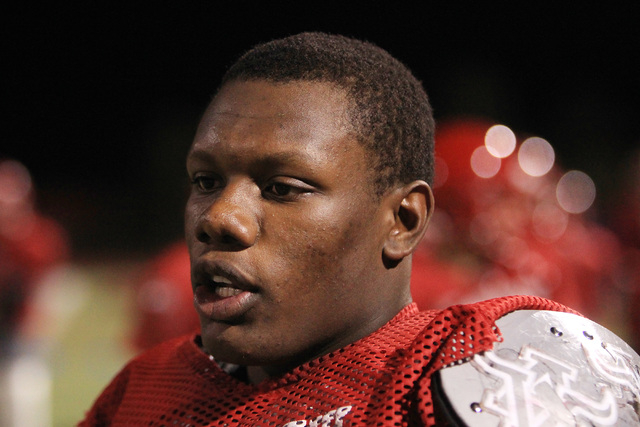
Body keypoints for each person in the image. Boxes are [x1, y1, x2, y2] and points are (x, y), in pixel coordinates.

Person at [78, 32, 639, 426]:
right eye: (204, 181)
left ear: (403, 220)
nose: (219, 218)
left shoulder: (473, 371)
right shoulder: (147, 388)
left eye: (282, 188)